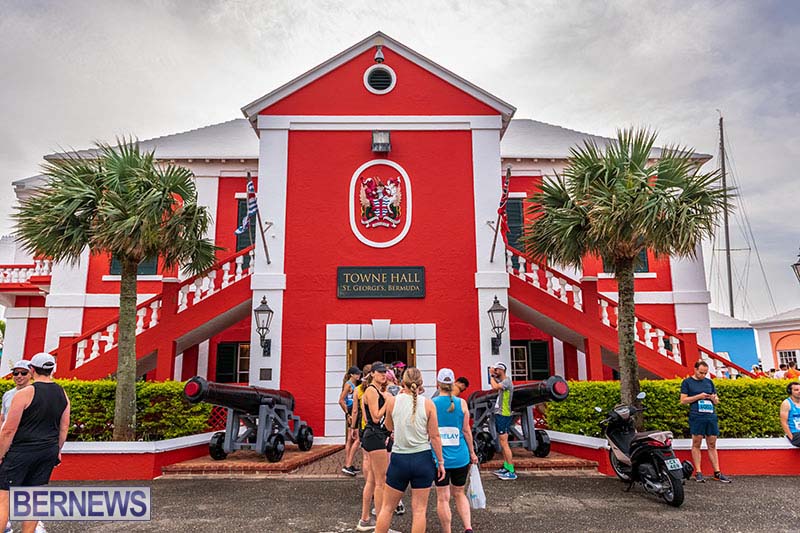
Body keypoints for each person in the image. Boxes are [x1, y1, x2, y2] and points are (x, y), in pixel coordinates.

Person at [0, 353, 70, 533]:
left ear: (32, 370)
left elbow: (8, 429)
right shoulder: (62, 393)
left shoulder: (25, 394)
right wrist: (58, 450)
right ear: (52, 369)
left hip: (21, 451)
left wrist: (0, 455)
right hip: (48, 451)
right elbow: (64, 427)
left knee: (3, 498)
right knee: (33, 497)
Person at [376, 367, 445, 533]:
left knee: (387, 508)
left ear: (402, 382)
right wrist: (441, 462)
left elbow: (389, 427)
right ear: (420, 384)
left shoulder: (393, 401)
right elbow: (434, 436)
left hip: (400, 459)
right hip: (422, 459)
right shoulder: (428, 404)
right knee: (420, 511)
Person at [433, 368, 478, 533]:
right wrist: (472, 453)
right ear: (453, 384)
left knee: (443, 497)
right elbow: (466, 431)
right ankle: (468, 528)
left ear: (438, 384)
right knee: (460, 493)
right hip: (461, 456)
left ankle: (448, 530)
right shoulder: (462, 403)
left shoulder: (432, 404)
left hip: (439, 458)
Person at [680, 360, 731, 483]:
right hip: (697, 416)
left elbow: (717, 400)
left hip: (710, 416)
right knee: (696, 442)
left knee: (712, 444)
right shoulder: (687, 382)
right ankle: (698, 471)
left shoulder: (709, 382)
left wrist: (714, 399)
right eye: (701, 373)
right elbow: (683, 400)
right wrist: (699, 396)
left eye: (705, 373)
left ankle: (717, 472)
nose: (703, 375)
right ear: (695, 370)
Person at [358, 363, 391, 531]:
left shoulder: (376, 391)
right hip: (374, 435)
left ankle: (365, 519)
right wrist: (389, 401)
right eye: (380, 372)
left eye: (385, 372)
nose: (383, 374)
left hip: (371, 435)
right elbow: (376, 417)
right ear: (372, 374)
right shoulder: (371, 391)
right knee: (381, 481)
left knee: (371, 479)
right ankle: (381, 524)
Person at [489, 361, 516, 480]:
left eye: (496, 370)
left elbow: (494, 387)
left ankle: (511, 470)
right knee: (502, 442)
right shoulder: (503, 382)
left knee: (504, 443)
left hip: (504, 414)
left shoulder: (506, 382)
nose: (495, 372)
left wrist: (491, 376)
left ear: (501, 370)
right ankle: (506, 466)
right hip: (501, 413)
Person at [340, 366, 362, 476]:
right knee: (353, 438)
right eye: (357, 374)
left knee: (350, 438)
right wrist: (347, 413)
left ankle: (348, 464)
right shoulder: (349, 384)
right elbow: (341, 400)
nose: (359, 375)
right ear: (352, 374)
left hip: (352, 410)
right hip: (351, 410)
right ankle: (348, 464)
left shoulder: (354, 385)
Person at [1, 361, 32, 426]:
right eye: (16, 373)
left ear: (31, 374)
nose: (19, 376)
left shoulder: (36, 393)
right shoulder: (7, 394)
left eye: (24, 373)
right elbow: (2, 418)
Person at [779, 382, 800, 448]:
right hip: (795, 433)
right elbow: (784, 422)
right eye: (796, 390)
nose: (799, 392)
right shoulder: (786, 403)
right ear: (790, 391)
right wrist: (791, 437)